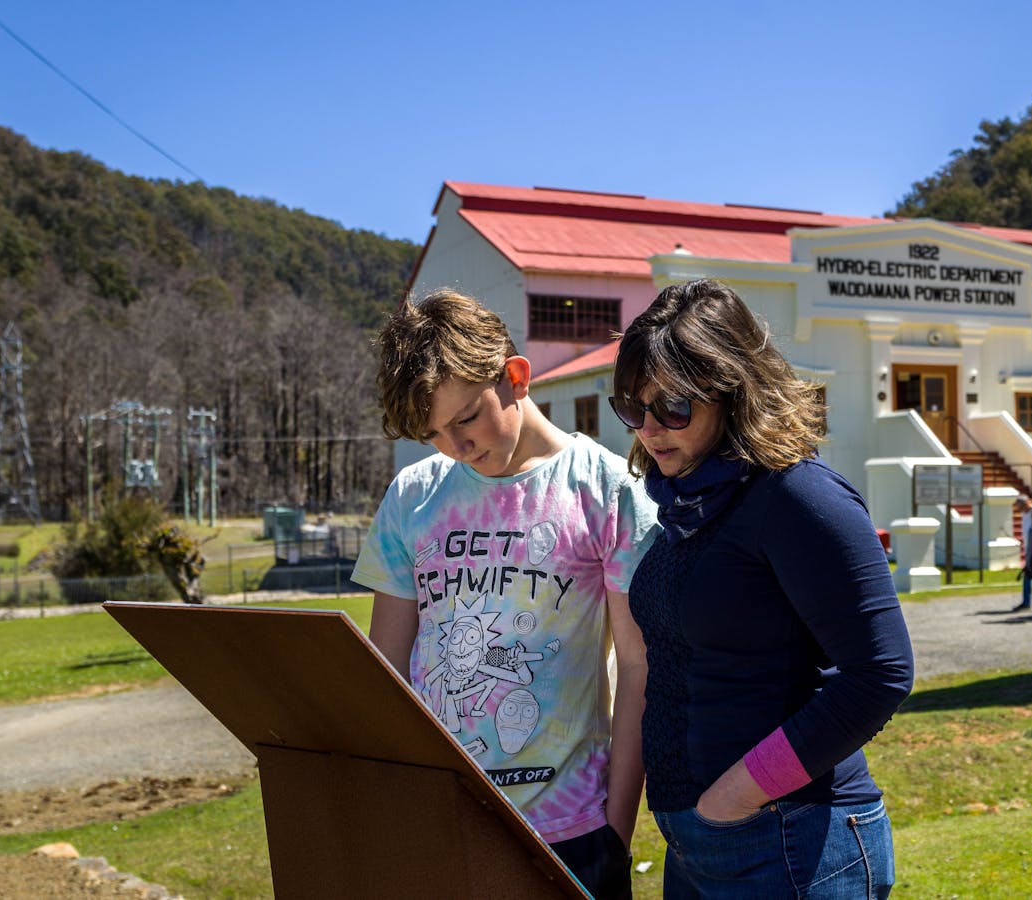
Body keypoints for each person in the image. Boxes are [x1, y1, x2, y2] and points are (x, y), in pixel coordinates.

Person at [351, 288, 658, 900]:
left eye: (466, 418)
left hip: (569, 833)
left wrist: (615, 833)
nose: (457, 448)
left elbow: (638, 667)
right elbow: (386, 673)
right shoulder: (412, 496)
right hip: (442, 822)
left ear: (516, 378)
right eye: (434, 433)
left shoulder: (608, 489)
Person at [612, 278, 914, 898]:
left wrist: (733, 798)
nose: (650, 429)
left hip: (790, 837)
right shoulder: (686, 500)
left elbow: (881, 673)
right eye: (634, 408)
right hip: (699, 843)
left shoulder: (799, 495)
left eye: (673, 407)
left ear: (733, 391)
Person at [1010, 494, 1032, 612]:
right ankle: (1026, 602)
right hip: (1028, 550)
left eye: (1019, 506)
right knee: (1027, 576)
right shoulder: (1024, 514)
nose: (1018, 509)